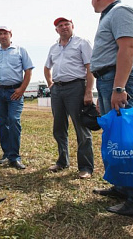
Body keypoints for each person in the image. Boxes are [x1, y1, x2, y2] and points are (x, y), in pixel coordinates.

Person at [87, 0, 133, 217]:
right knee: (116, 138)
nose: (90, 0)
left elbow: (127, 48)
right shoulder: (109, 15)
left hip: (116, 80)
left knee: (127, 143)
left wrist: (118, 88)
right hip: (108, 80)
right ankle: (123, 187)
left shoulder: (120, 11)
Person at [44, 17, 95, 179]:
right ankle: (62, 161)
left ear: (73, 26)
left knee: (81, 128)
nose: (64, 27)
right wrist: (51, 84)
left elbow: (90, 68)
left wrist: (88, 91)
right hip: (57, 90)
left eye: (67, 24)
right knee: (59, 127)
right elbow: (47, 68)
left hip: (76, 88)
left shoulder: (82, 43)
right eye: (60, 25)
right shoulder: (54, 47)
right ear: (56, 30)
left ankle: (85, 167)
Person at [0, 26, 34, 170]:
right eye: (0, 34)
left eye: (5, 33)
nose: (2, 36)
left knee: (14, 120)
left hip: (15, 91)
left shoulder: (20, 51)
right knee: (2, 123)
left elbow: (28, 70)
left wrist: (21, 90)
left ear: (10, 35)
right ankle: (6, 154)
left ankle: (15, 157)